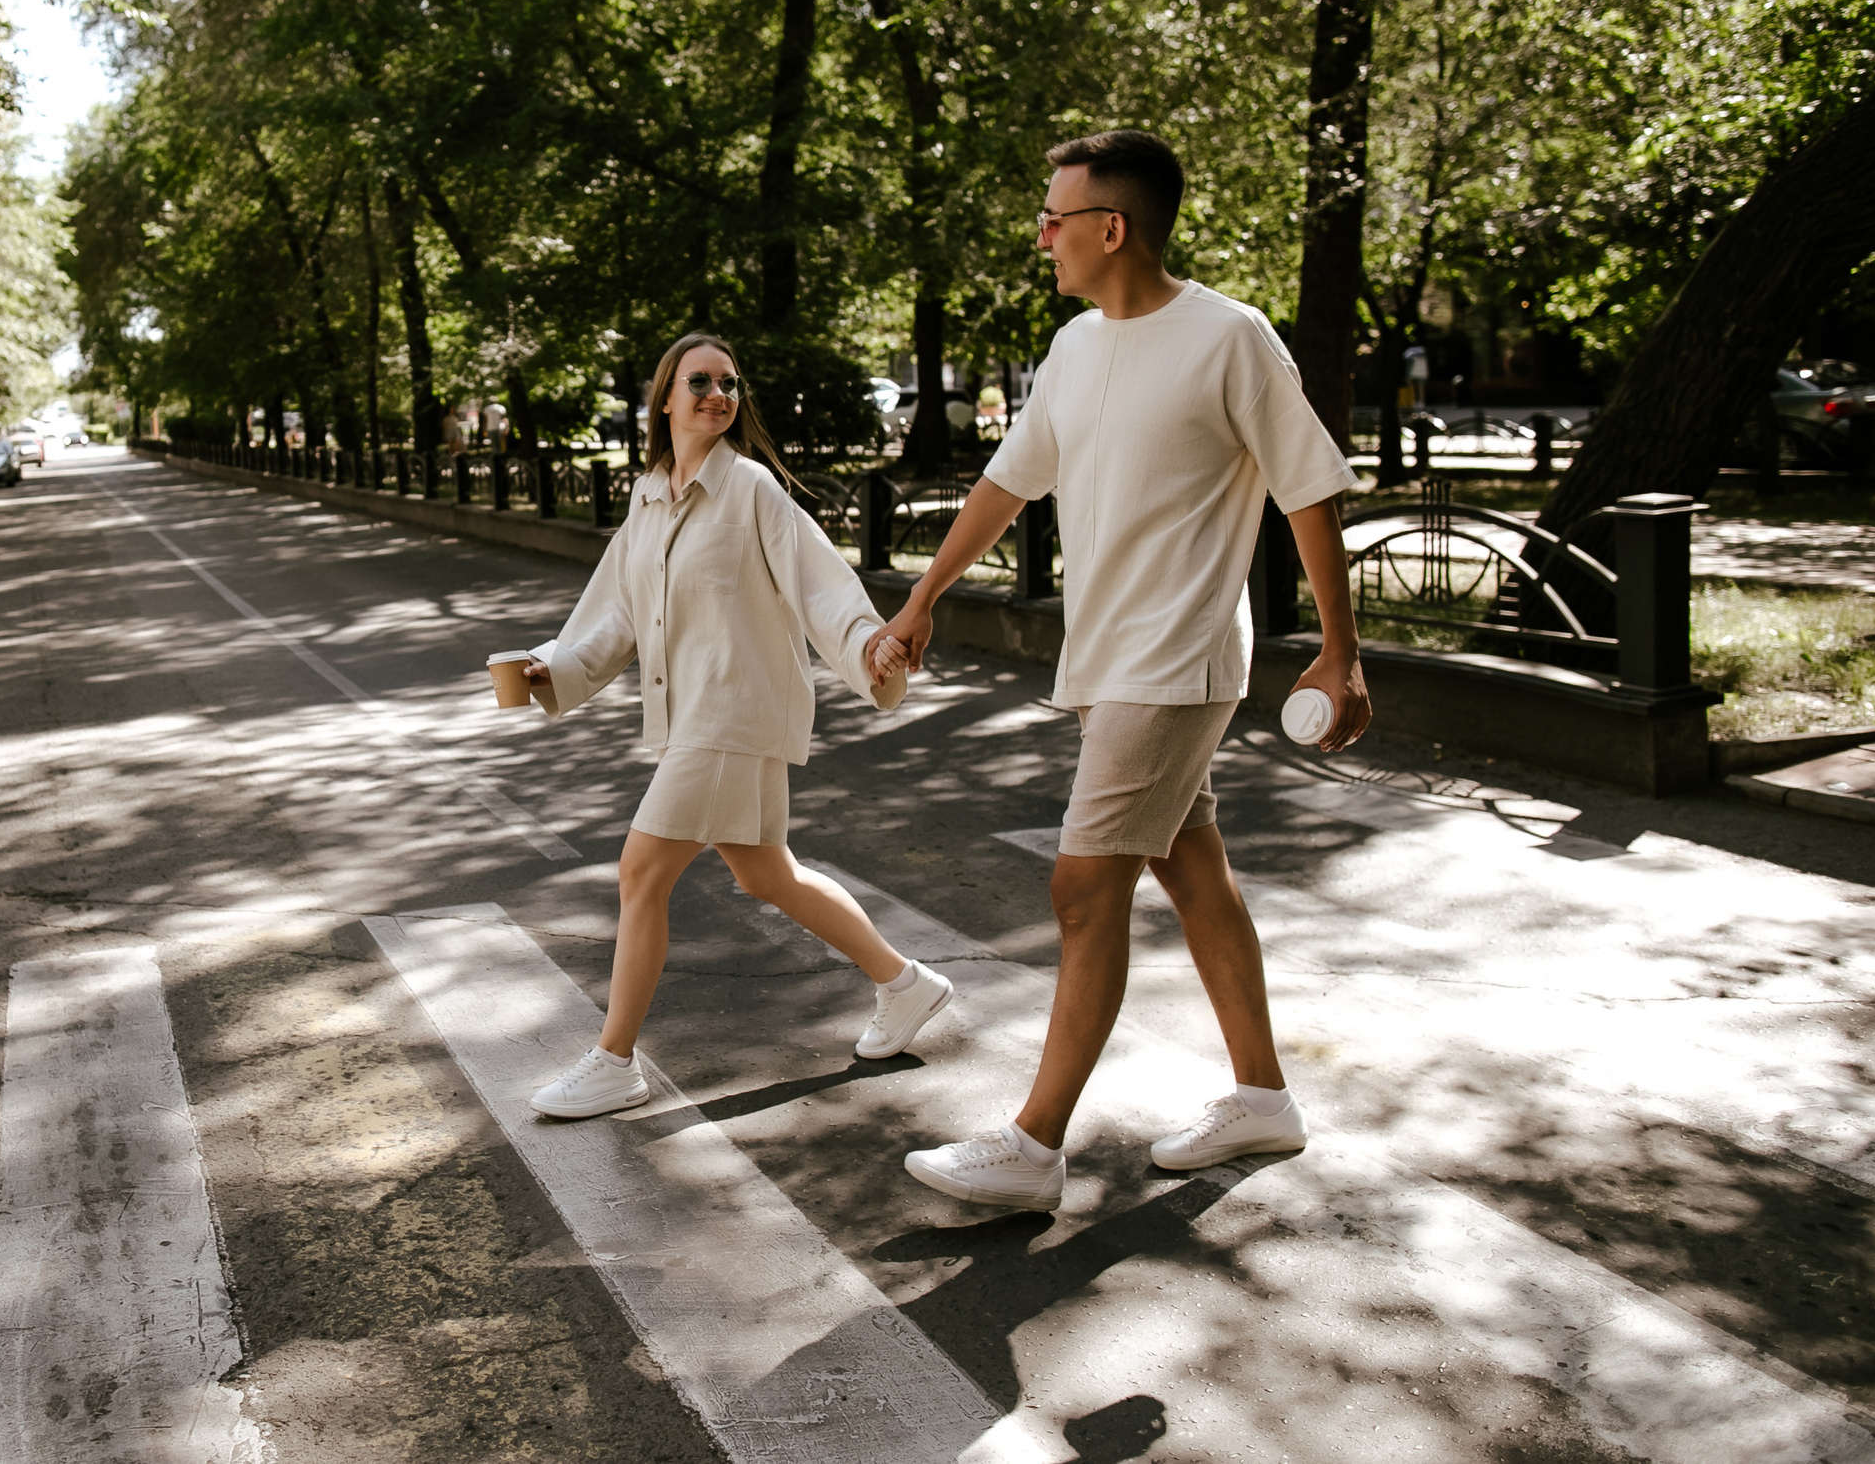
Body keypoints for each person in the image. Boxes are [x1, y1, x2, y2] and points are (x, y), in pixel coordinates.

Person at [872, 128, 1371, 1210]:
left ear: (1111, 227)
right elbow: (1007, 486)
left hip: (1179, 656)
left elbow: (1309, 489)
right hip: (1106, 659)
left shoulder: (1229, 338)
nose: (1040, 237)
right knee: (1191, 872)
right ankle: (1264, 1098)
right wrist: (922, 600)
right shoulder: (1072, 348)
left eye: (1054, 218)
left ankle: (1033, 1147)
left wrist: (1340, 651)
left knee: (1083, 885)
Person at [515, 331, 958, 1118]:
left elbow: (819, 579)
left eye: (730, 382)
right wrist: (558, 663)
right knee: (765, 873)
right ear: (666, 397)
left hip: (732, 709)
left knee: (641, 872)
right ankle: (905, 982)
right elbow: (616, 609)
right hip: (698, 716)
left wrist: (868, 643)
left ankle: (614, 1059)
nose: (719, 393)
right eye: (701, 381)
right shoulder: (650, 495)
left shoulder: (750, 487)